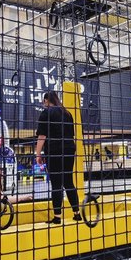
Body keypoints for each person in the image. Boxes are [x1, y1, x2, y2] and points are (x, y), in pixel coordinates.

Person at [35, 91, 82, 224]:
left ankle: (57, 217)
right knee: (68, 182)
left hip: (54, 150)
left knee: (56, 184)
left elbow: (42, 136)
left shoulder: (46, 113)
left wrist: (38, 154)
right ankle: (77, 213)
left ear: (46, 100)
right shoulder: (67, 113)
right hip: (69, 149)